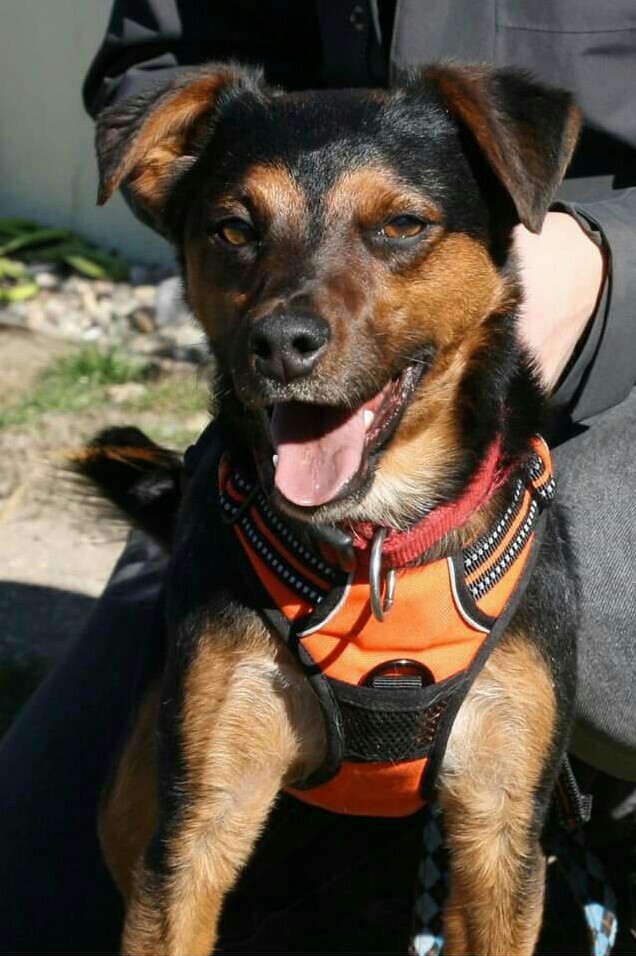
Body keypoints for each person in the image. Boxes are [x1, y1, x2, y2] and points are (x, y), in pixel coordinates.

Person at [1, 2, 634, 953]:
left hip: (605, 378)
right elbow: (153, 66)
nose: (291, 318)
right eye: (240, 232)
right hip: (255, 525)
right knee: (45, 892)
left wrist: (605, 254)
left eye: (400, 227)